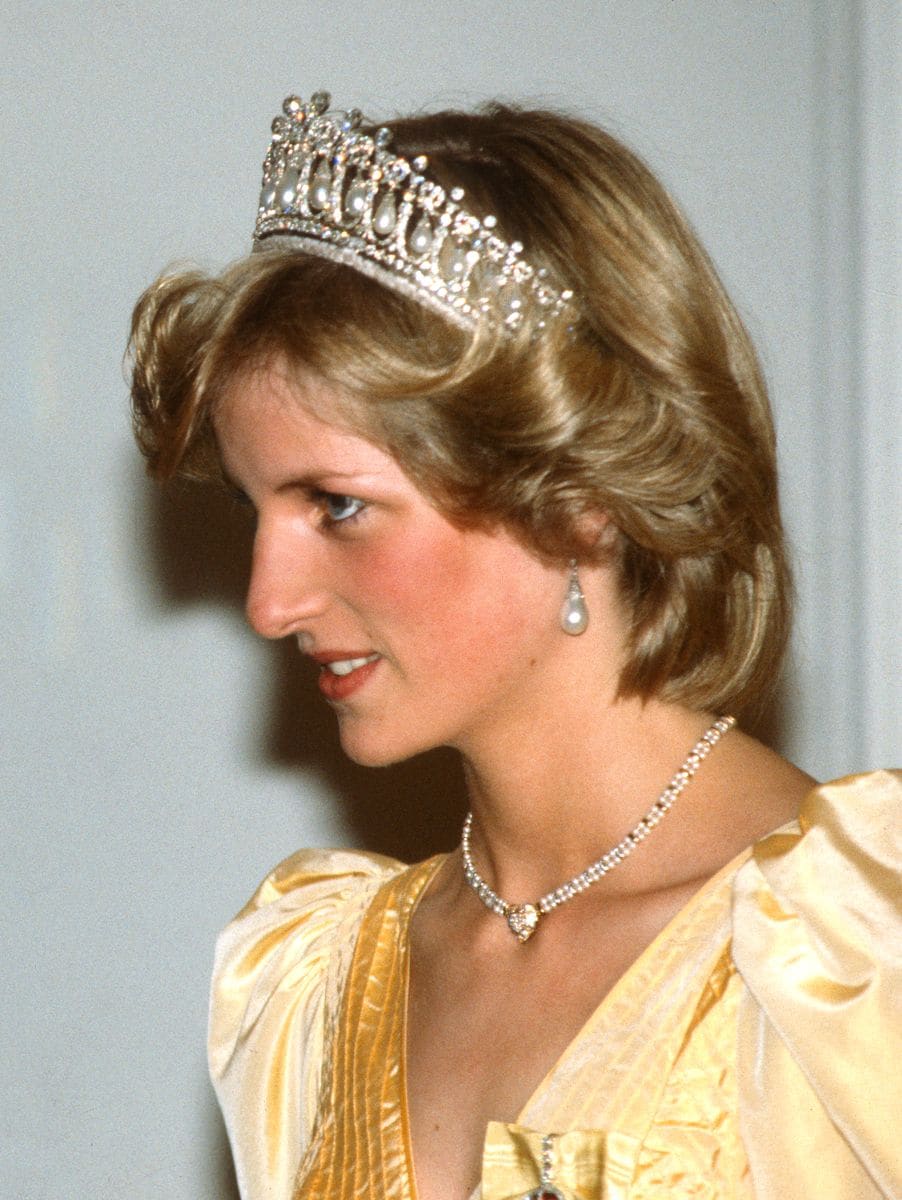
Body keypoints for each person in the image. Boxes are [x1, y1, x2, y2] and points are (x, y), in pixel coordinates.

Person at [128, 91, 900, 1200]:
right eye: (257, 512)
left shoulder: (850, 953)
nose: (267, 602)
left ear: (579, 498)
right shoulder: (319, 979)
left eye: (336, 505)